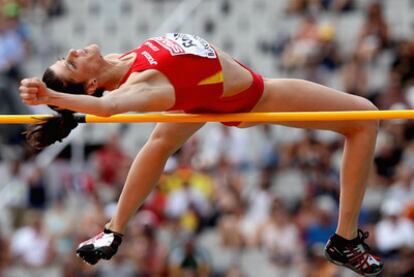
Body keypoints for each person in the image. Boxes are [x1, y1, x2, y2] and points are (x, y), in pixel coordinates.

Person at [19, 33, 383, 276]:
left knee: (159, 145)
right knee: (364, 117)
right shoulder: (140, 86)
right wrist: (53, 98)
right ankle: (345, 239)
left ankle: (113, 231)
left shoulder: (120, 60)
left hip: (200, 100)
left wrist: (58, 98)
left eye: (63, 59)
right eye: (70, 65)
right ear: (91, 85)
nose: (71, 53)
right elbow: (109, 108)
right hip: (255, 98)